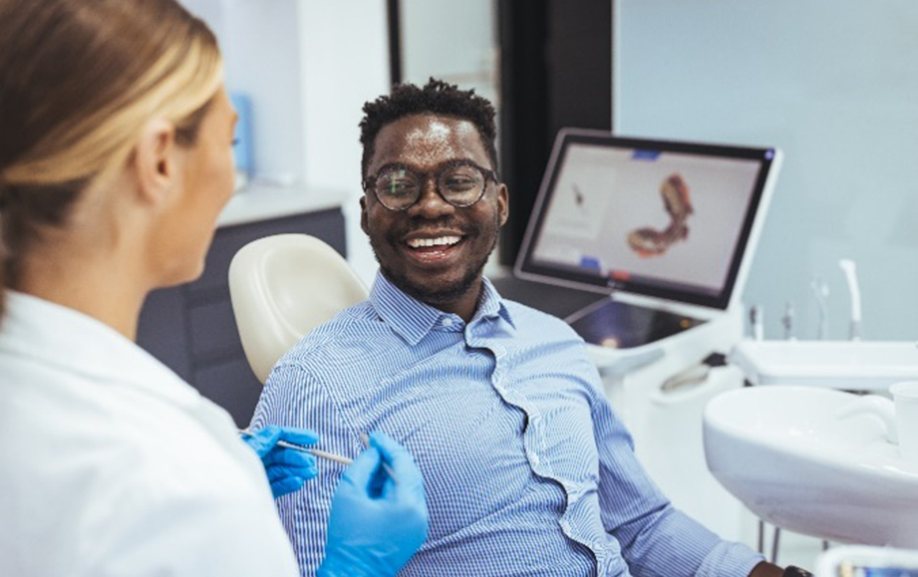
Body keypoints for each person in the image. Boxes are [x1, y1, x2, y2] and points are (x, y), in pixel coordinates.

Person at [252, 78, 807, 577]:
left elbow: (641, 525)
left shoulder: (555, 342)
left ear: (500, 203)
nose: (430, 206)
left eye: (459, 181)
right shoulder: (316, 386)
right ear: (368, 210)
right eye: (398, 185)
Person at [0, 1, 426, 576]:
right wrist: (351, 569)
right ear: (158, 162)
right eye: (228, 142)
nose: (230, 179)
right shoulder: (178, 478)